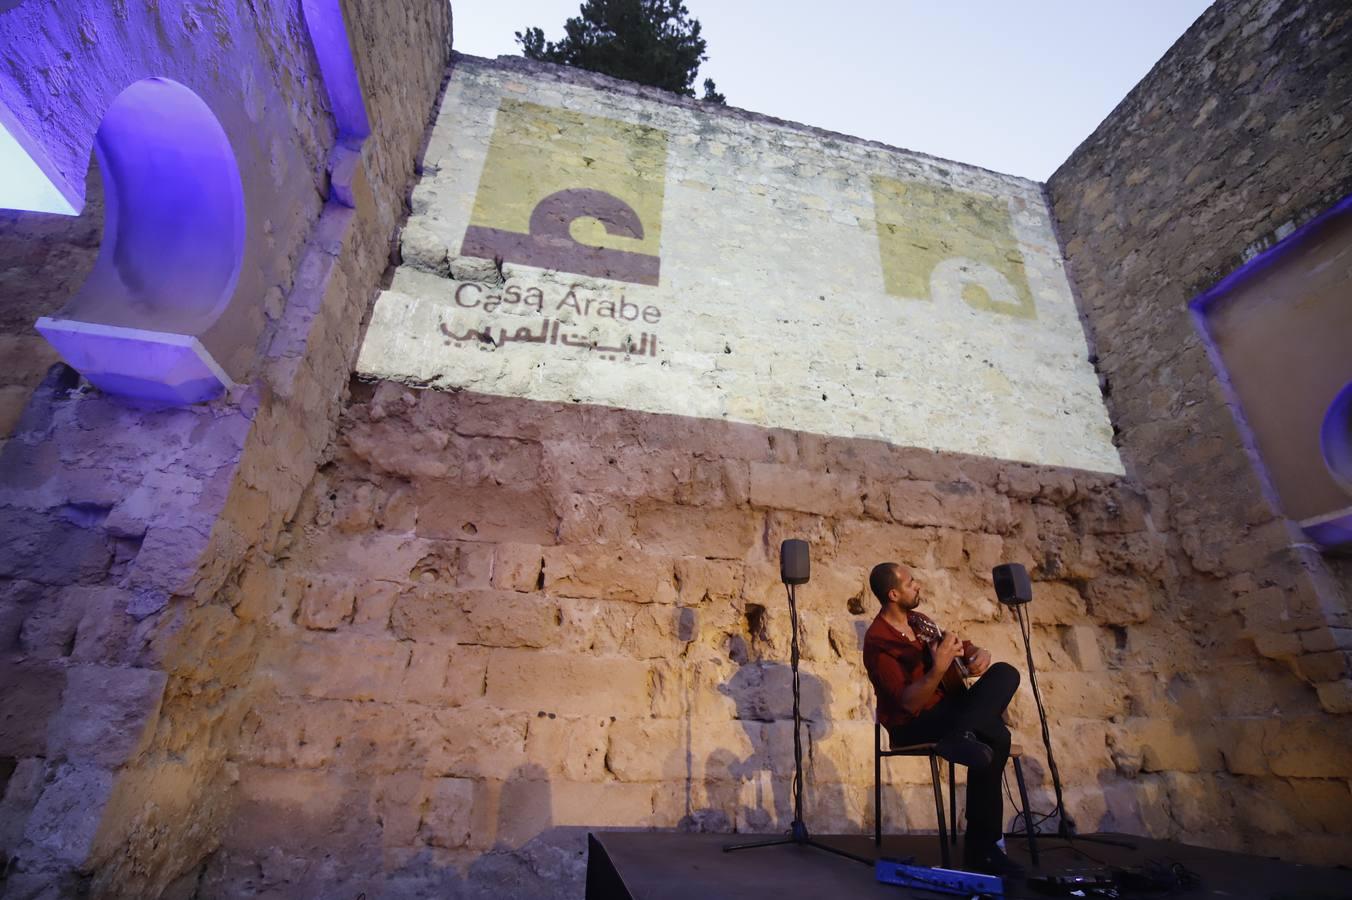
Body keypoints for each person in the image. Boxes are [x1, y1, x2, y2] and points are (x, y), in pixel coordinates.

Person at [863, 561, 1023, 877]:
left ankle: (961, 734)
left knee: (1006, 672)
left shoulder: (919, 621)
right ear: (893, 593)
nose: (917, 585)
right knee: (997, 736)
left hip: (951, 710)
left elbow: (958, 646)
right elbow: (908, 704)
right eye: (910, 583)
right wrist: (938, 667)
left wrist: (975, 653)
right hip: (914, 724)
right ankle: (983, 849)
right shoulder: (879, 642)